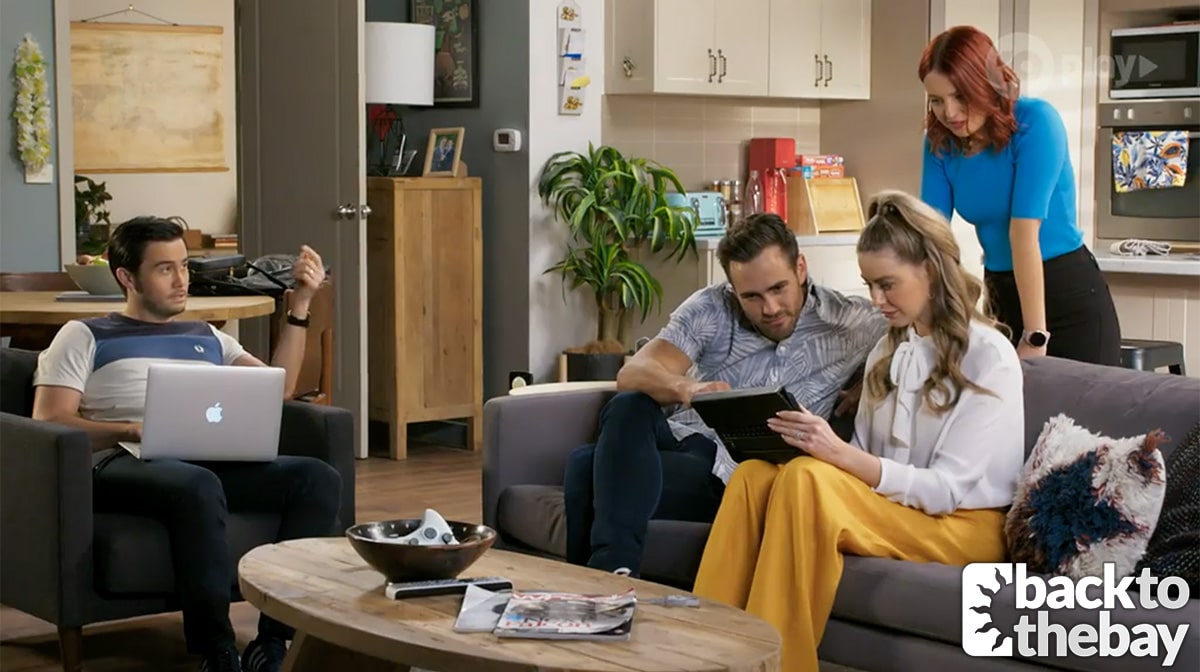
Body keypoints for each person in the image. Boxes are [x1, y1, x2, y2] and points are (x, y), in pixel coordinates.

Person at [691, 190, 1025, 671]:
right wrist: (808, 441)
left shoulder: (989, 356)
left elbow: (946, 491)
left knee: (806, 480)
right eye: (869, 285)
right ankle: (705, 657)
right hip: (897, 513)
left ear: (931, 271)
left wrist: (834, 453)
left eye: (888, 285)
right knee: (753, 476)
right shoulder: (887, 352)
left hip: (965, 527)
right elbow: (864, 464)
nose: (876, 301)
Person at [31, 217, 342, 672]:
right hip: (121, 460)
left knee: (316, 478)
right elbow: (49, 419)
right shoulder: (85, 334)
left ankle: (274, 641)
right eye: (165, 269)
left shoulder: (208, 336)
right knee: (197, 485)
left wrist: (300, 304)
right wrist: (131, 429)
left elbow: (281, 388)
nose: (182, 281)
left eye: (184, 266)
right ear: (127, 277)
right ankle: (216, 651)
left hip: (204, 459)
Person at [562, 213, 888, 578]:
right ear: (733, 289)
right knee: (628, 403)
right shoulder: (711, 307)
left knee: (584, 466)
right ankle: (611, 582)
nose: (770, 308)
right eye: (752, 296)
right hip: (683, 443)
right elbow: (632, 373)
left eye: (778, 288)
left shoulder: (853, 322)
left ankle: (602, 581)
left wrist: (876, 374)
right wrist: (688, 388)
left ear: (800, 268)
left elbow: (924, 325)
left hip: (738, 477)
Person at [918, 25, 1121, 365]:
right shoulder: (939, 143)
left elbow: (1024, 233)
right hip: (1001, 296)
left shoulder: (1036, 122)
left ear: (986, 85)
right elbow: (930, 237)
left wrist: (1035, 334)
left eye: (960, 96)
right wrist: (924, 327)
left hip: (1067, 295)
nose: (949, 113)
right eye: (937, 100)